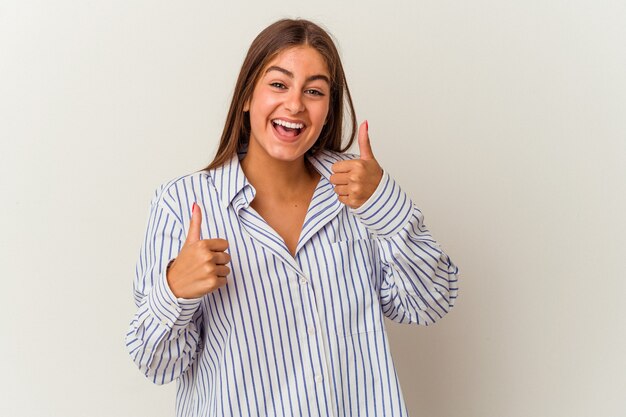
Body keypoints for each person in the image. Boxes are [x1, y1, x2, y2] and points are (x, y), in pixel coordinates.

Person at [126, 18, 459, 417]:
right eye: (279, 84)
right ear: (247, 96)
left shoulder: (359, 192)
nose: (296, 104)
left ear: (327, 109)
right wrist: (174, 290)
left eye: (314, 91)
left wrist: (384, 205)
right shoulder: (181, 203)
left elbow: (430, 302)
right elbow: (158, 364)